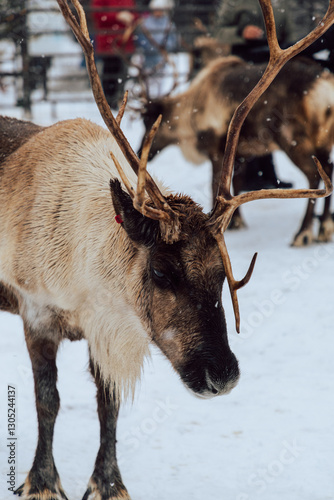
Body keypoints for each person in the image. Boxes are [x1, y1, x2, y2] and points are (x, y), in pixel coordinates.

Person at [213, 0, 295, 191]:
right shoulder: (233, 3)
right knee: (245, 120)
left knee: (266, 118)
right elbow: (217, 31)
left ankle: (268, 174)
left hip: (271, 68)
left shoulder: (282, 3)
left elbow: (290, 37)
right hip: (242, 70)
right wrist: (240, 33)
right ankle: (248, 176)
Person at [91, 0, 138, 109]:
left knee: (124, 74)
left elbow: (135, 13)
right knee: (110, 75)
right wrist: (117, 16)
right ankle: (110, 105)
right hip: (109, 44)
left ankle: (121, 101)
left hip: (125, 43)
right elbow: (98, 14)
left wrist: (131, 17)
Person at [135, 0, 179, 97]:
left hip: (163, 58)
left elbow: (173, 39)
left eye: (160, 10)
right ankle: (149, 99)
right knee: (148, 81)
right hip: (148, 58)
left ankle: (158, 99)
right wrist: (152, 48)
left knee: (162, 81)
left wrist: (165, 47)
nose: (158, 12)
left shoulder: (168, 23)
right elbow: (141, 40)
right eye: (156, 10)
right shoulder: (145, 23)